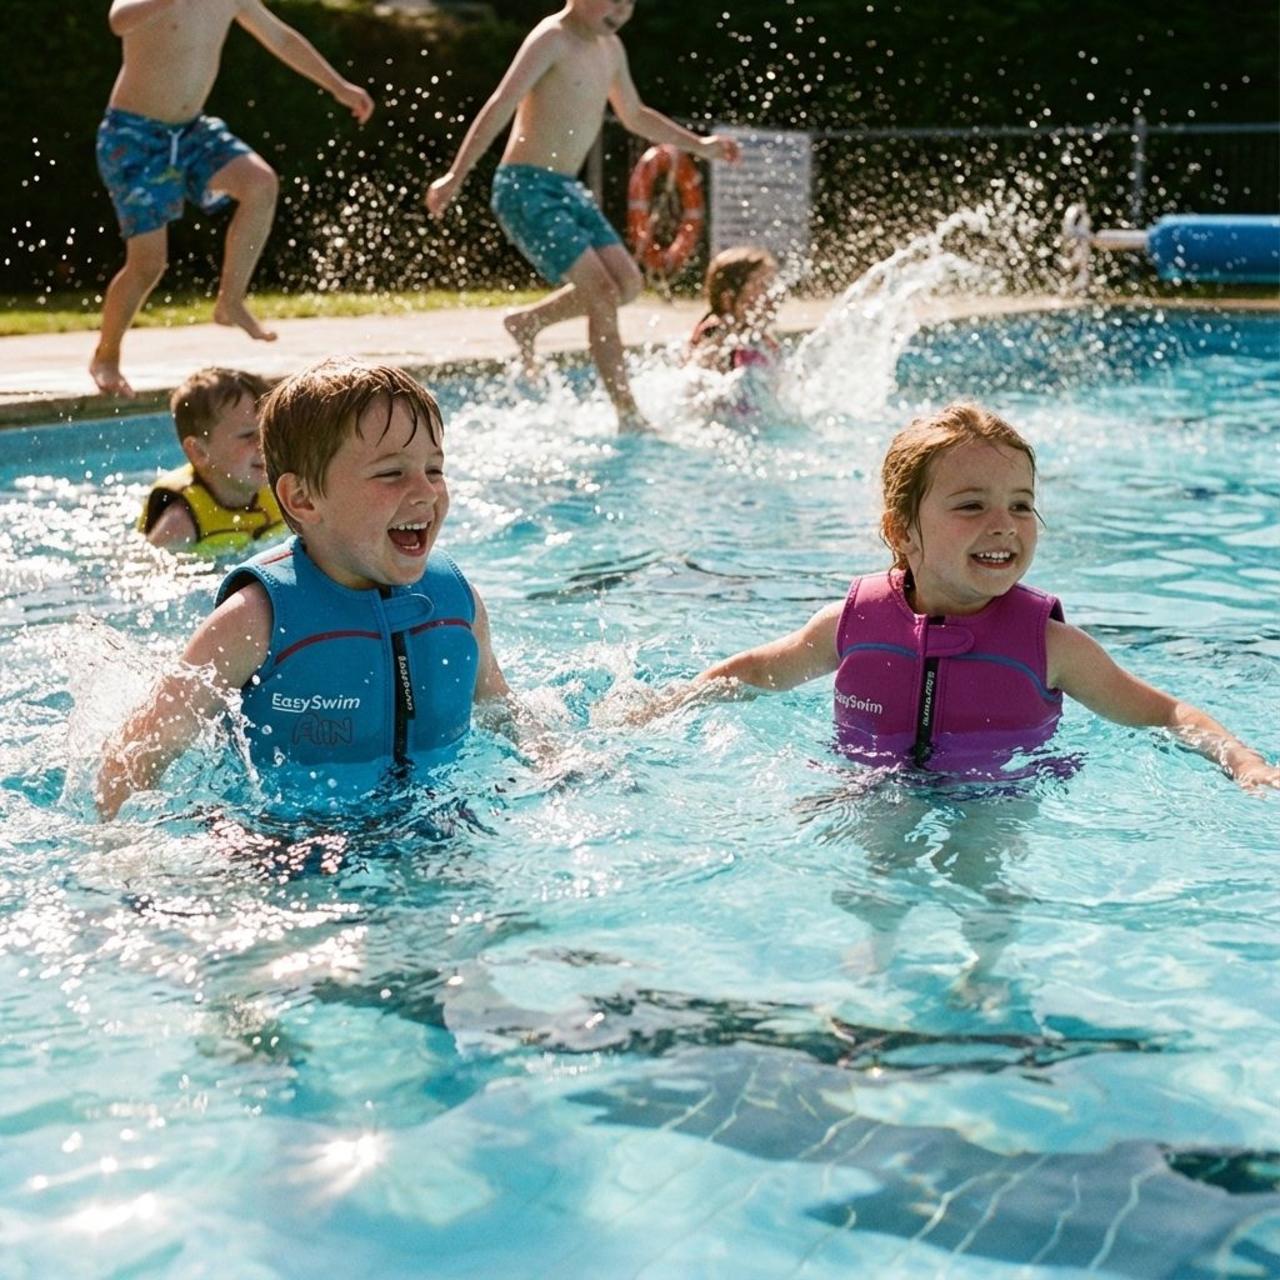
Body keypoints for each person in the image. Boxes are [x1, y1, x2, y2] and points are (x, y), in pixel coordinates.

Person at [620, 401, 1280, 790]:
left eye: (1021, 505)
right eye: (971, 505)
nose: (1005, 524)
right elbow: (753, 673)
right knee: (871, 885)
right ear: (901, 531)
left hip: (996, 795)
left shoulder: (1053, 647)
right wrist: (663, 708)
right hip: (870, 786)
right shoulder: (850, 624)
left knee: (985, 893)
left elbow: (1165, 714)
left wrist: (1244, 761)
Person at [97, 359, 530, 819]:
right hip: (284, 840)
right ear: (302, 499)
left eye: (435, 469)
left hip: (438, 824)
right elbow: (135, 756)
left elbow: (501, 710)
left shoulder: (455, 601)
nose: (425, 492)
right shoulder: (255, 619)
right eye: (391, 473)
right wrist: (123, 847)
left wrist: (552, 764)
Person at [424, 0, 740, 431]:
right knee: (601, 292)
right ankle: (627, 413)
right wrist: (456, 175)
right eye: (612, 0)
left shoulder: (610, 47)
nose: (620, 11)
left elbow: (635, 114)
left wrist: (699, 145)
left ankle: (528, 322)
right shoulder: (551, 39)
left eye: (628, 3)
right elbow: (502, 103)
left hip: (567, 188)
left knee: (628, 283)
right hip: (524, 187)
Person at [91, 0, 375, 398]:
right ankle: (106, 356)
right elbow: (119, 20)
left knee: (260, 184)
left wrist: (338, 86)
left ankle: (231, 301)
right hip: (134, 138)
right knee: (148, 265)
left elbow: (281, 38)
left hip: (191, 132)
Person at [139, 366, 286, 553]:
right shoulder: (180, 522)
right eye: (248, 435)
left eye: (268, 430)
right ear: (199, 452)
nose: (264, 444)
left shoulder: (283, 493)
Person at [686, 246, 781, 374]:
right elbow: (696, 375)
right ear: (727, 298)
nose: (774, 293)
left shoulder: (758, 337)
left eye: (773, 284)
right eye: (763, 285)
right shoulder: (715, 334)